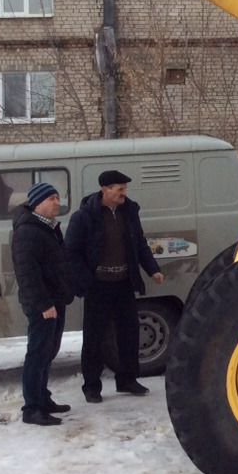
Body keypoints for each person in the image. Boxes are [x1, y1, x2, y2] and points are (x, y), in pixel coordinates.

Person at [66, 169, 164, 403]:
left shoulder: (129, 212)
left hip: (123, 283)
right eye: (119, 189)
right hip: (97, 285)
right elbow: (71, 252)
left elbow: (139, 244)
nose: (124, 193)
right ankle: (92, 386)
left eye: (125, 189)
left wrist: (153, 269)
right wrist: (86, 281)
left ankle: (127, 380)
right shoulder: (84, 216)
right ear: (105, 190)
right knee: (94, 338)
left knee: (129, 334)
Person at [11, 182, 73, 427]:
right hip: (43, 305)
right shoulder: (27, 231)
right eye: (51, 199)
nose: (57, 202)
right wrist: (44, 304)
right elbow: (27, 273)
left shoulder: (47, 227)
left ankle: (43, 398)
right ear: (38, 203)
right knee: (37, 354)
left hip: (54, 301)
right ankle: (32, 408)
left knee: (48, 352)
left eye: (58, 198)